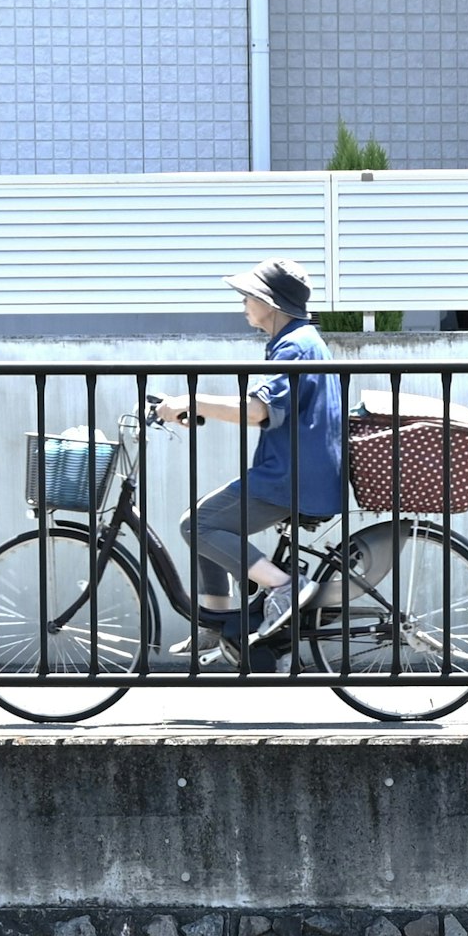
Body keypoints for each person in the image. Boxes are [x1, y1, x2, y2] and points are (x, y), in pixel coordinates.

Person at [149, 259, 343, 660]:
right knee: (208, 522)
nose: (242, 303)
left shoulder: (294, 346)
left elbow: (257, 410)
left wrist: (190, 399)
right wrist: (200, 411)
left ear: (270, 303)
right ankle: (216, 621)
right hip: (300, 473)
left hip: (291, 479)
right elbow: (274, 411)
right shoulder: (298, 341)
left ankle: (285, 586)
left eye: (248, 295)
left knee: (198, 524)